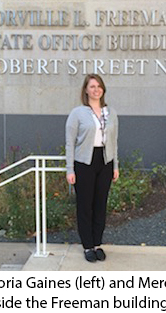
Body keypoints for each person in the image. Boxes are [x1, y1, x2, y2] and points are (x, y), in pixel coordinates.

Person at [65, 74, 119, 263]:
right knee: (85, 206)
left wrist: (115, 166)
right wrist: (70, 169)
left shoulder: (110, 112)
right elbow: (70, 143)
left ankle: (97, 243)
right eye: (92, 86)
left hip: (105, 162)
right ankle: (87, 246)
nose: (96, 89)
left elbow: (114, 142)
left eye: (99, 86)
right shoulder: (77, 113)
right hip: (84, 163)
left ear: (103, 90)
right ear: (86, 90)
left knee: (100, 205)